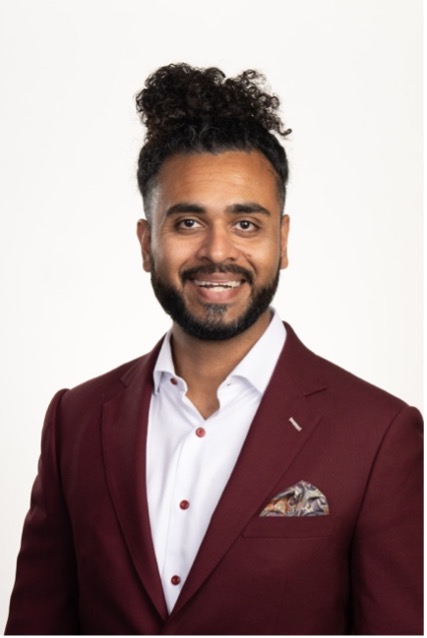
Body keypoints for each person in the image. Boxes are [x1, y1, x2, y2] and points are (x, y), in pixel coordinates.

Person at [5, 63, 422, 636]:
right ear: (147, 243)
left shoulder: (377, 434)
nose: (217, 251)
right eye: (187, 222)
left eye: (246, 223)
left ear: (283, 240)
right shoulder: (74, 420)